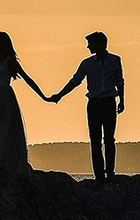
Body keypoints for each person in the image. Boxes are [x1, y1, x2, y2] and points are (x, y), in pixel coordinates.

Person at [48, 32, 125, 180]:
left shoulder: (115, 60)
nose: (88, 46)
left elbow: (119, 81)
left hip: (109, 101)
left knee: (109, 139)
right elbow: (75, 81)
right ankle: (99, 176)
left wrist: (122, 101)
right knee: (96, 140)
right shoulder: (87, 64)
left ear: (100, 44)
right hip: (94, 103)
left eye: (91, 43)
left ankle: (110, 173)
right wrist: (60, 95)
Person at [0, 30, 49, 169]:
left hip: (6, 97)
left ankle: (7, 160)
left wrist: (44, 97)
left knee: (6, 127)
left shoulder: (10, 61)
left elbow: (27, 79)